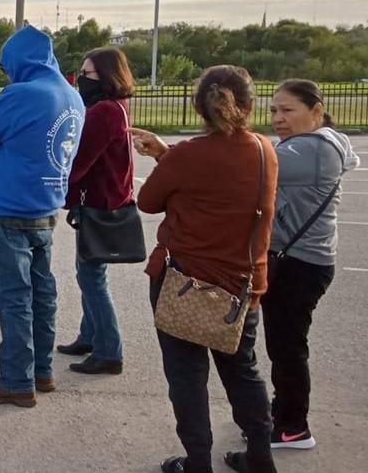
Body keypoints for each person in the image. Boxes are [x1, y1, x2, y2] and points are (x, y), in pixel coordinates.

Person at [132, 65, 280, 473]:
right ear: (250, 105)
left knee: (187, 378)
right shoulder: (265, 151)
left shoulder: (189, 155)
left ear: (199, 108)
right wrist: (169, 155)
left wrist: (167, 158)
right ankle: (260, 457)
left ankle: (197, 461)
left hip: (183, 279)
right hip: (242, 282)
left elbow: (148, 201)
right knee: (243, 370)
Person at [0, 25, 85, 409]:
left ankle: (16, 381)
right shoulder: (71, 96)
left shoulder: (21, 94)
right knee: (42, 295)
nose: (5, 73)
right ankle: (42, 370)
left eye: (7, 65)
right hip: (45, 207)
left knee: (15, 299)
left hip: (9, 210)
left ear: (19, 61)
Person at [262, 80, 359, 450]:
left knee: (288, 347)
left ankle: (293, 428)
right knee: (284, 345)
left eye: (288, 110)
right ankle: (283, 412)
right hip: (301, 258)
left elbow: (253, 163)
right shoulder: (313, 144)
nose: (278, 118)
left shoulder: (313, 150)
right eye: (273, 110)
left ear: (316, 112)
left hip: (299, 263)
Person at [57, 48, 135, 375]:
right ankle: (89, 335)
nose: (80, 80)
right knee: (88, 273)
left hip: (100, 202)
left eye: (86, 74)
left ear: (105, 76)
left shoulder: (104, 111)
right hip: (106, 199)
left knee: (92, 278)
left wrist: (60, 188)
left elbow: (80, 158)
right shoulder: (115, 107)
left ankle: (109, 350)